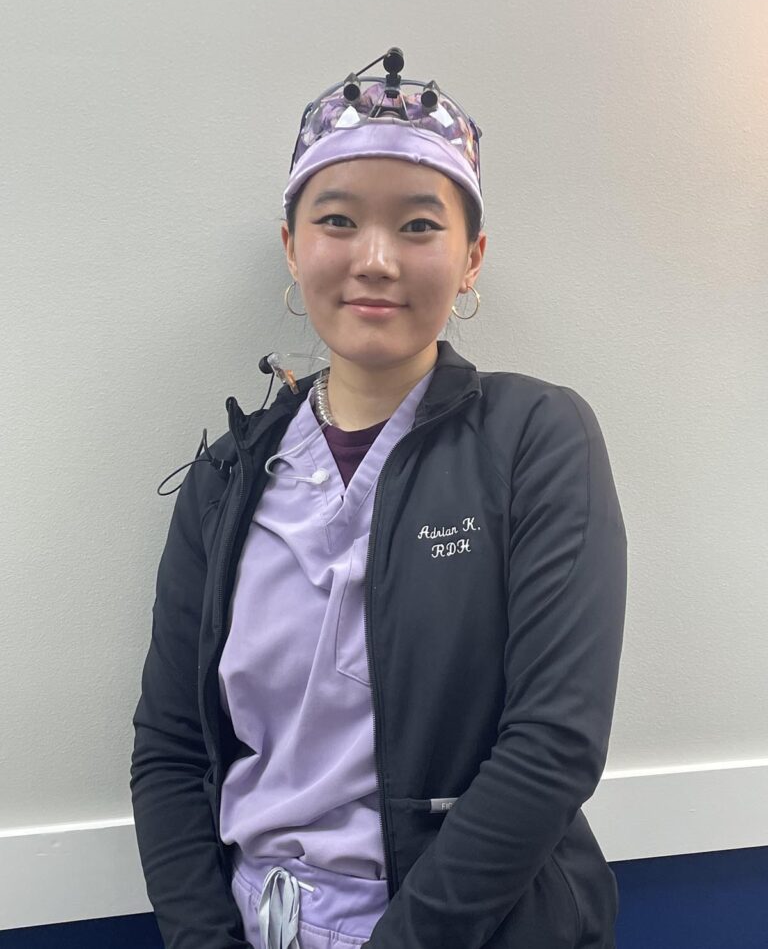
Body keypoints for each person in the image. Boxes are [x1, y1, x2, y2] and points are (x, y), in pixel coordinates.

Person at [130, 47, 628, 949]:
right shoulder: (224, 480)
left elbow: (553, 743)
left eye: (418, 226)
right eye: (337, 219)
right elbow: (168, 749)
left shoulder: (536, 441)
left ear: (472, 257)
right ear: (292, 247)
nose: (375, 259)